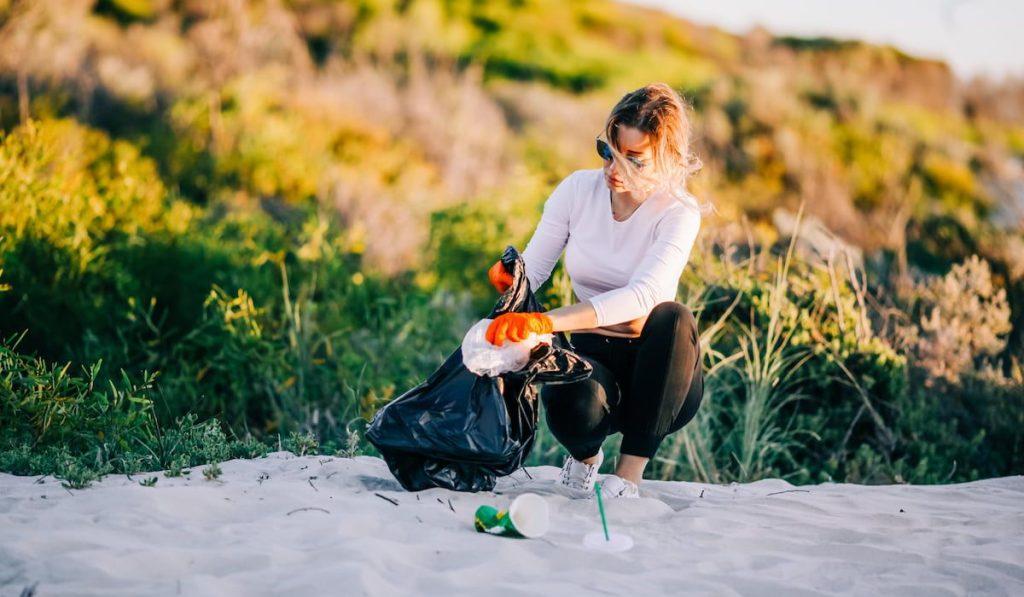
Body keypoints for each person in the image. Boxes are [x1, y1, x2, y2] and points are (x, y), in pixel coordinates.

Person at [485, 83, 705, 500]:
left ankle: (627, 478)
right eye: (609, 151)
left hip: (659, 374)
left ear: (669, 160)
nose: (614, 171)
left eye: (633, 160)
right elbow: (536, 267)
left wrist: (545, 320)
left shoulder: (679, 212)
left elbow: (643, 296)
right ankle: (585, 460)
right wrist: (513, 278)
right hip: (593, 354)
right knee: (568, 389)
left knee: (674, 317)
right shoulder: (577, 190)